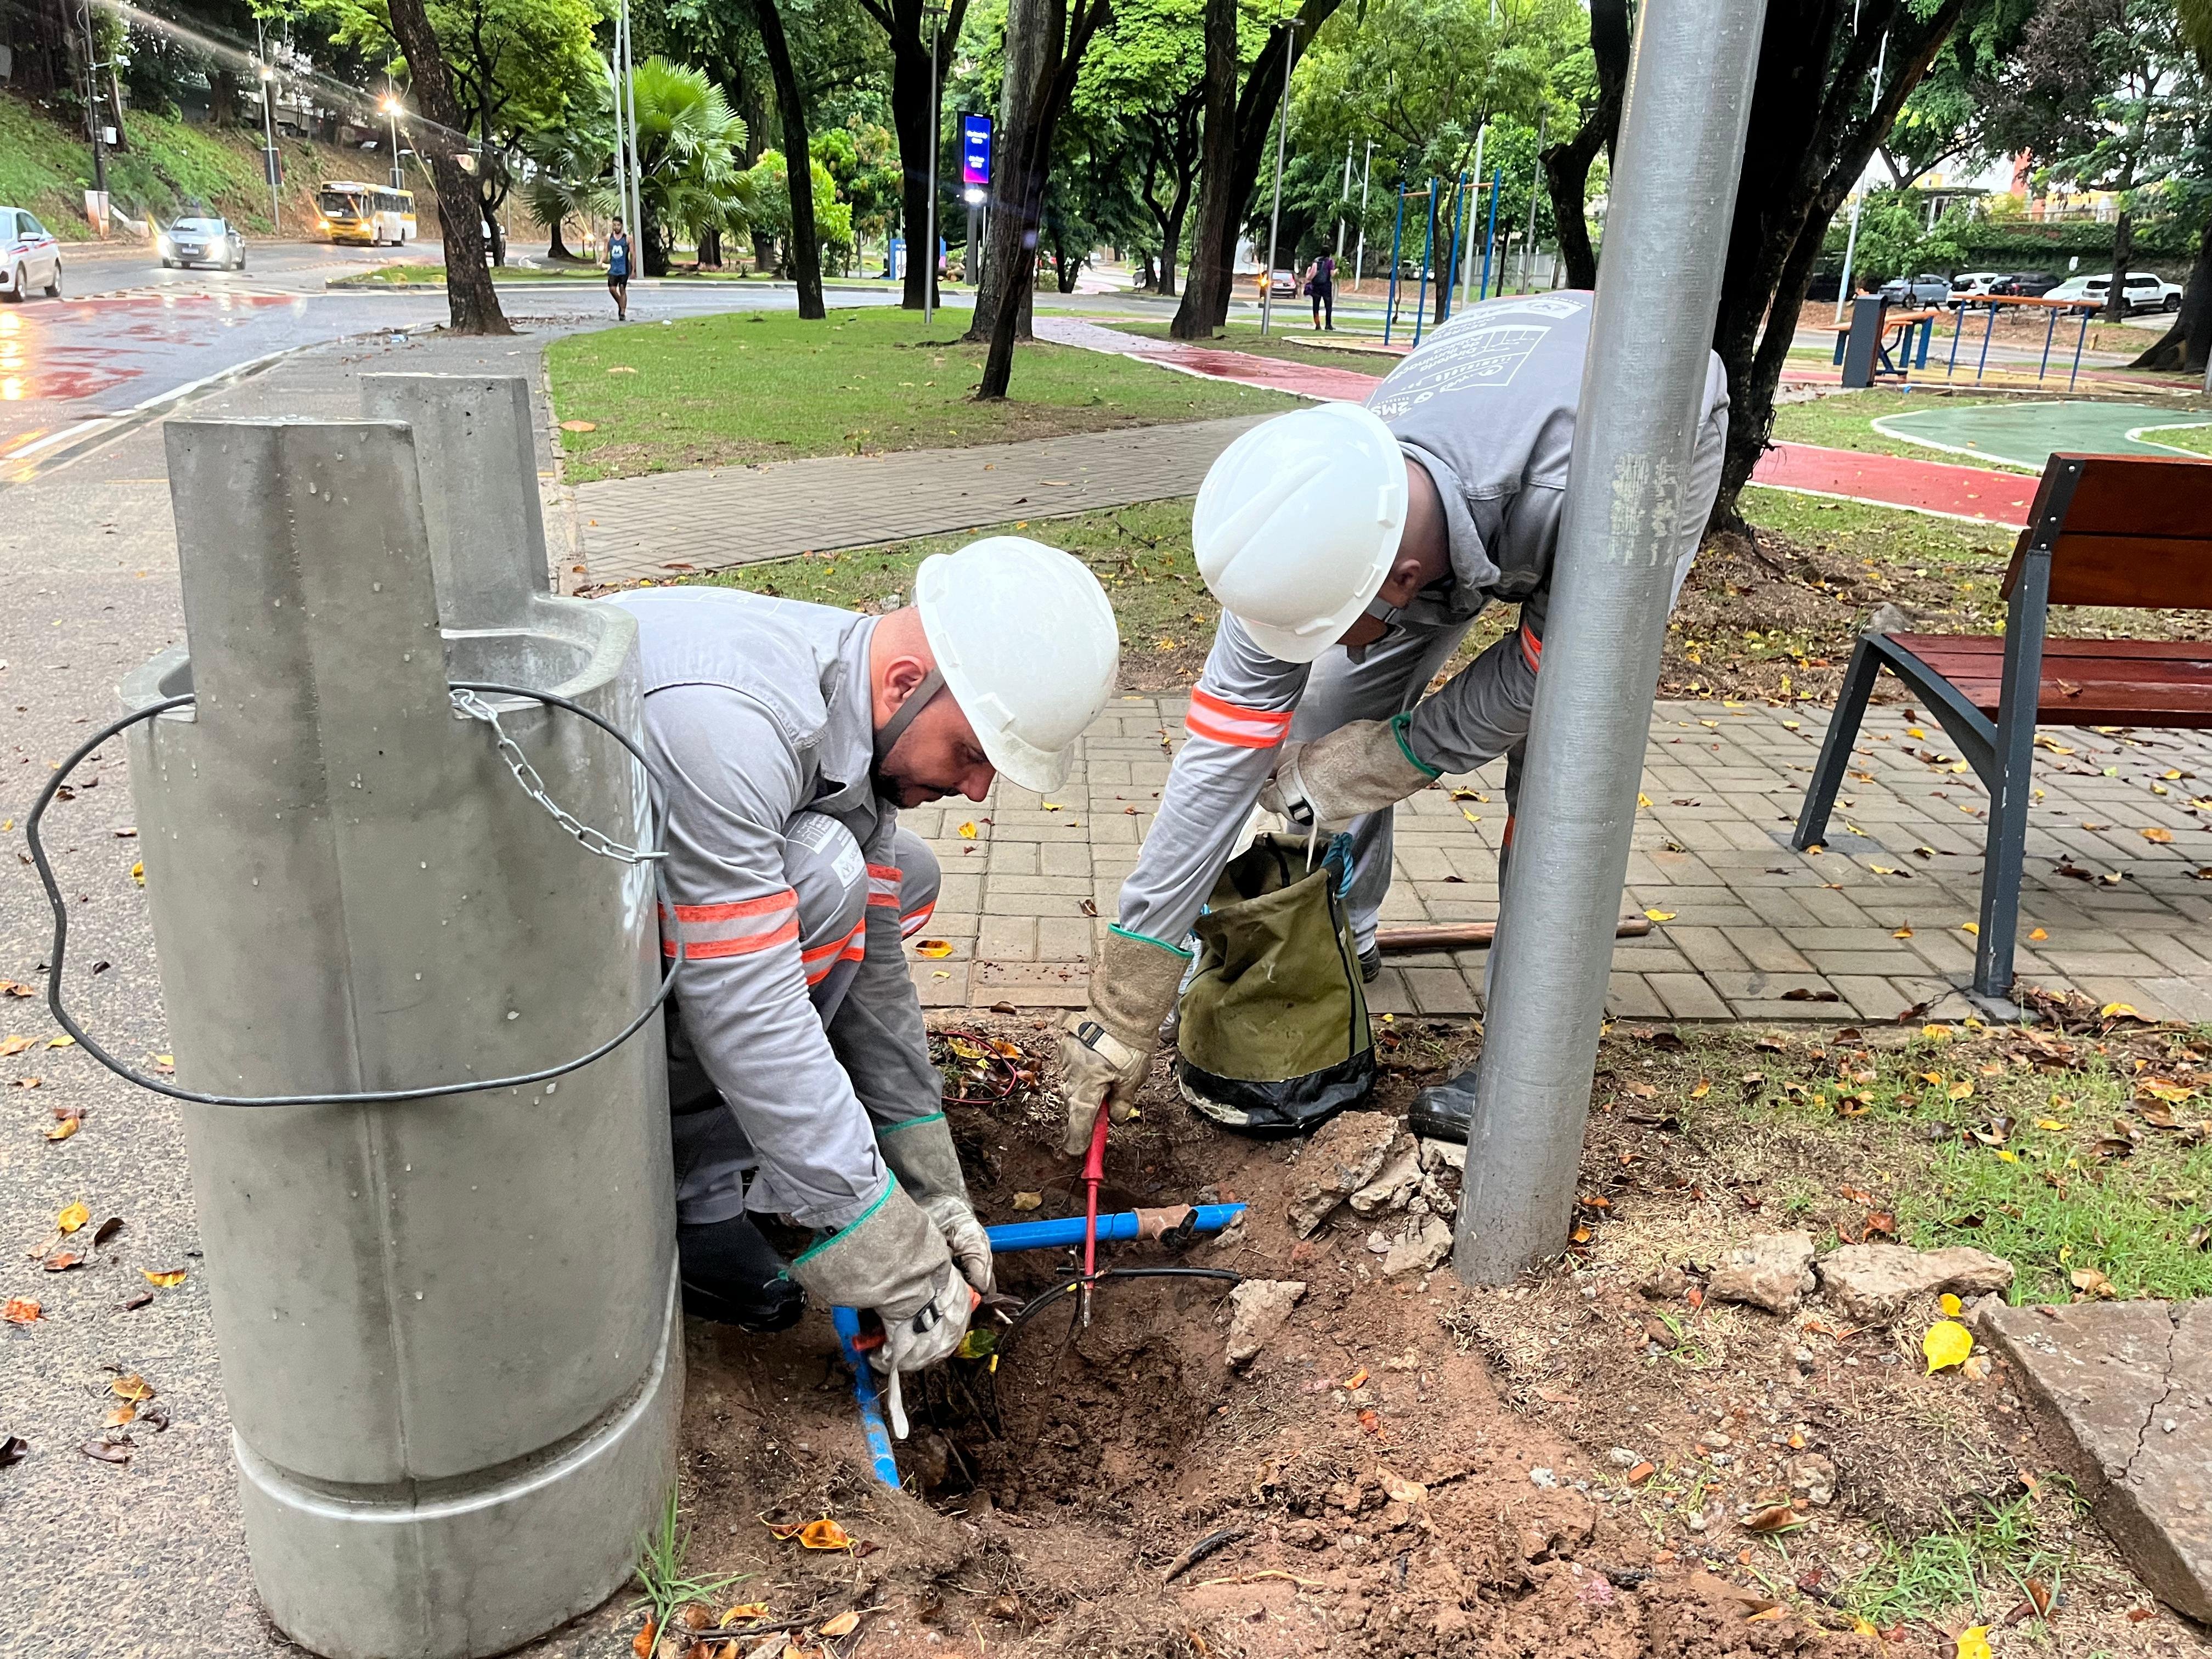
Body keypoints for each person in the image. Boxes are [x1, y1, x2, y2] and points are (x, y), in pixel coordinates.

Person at [1055, 290, 1728, 1152]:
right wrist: (1127, 996)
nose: (1309, 647)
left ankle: (1528, 1057)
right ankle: (1345, 936)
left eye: (1328, 626)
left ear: (1405, 580)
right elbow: (1219, 754)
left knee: (1563, 757)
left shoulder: (1592, 491)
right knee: (1331, 707)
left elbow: (1556, 670)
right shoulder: (1317, 516)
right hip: (1475, 431)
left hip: (1643, 425)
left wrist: (1387, 760)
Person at [614, 540, 1119, 1393]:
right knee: (821, 880)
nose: (977, 790)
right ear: (906, 683)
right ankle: (691, 1201)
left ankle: (789, 1155)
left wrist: (929, 1183)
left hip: (621, 917)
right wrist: (888, 1252)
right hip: (523, 985)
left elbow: (876, 967)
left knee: (897, 878)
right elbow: (749, 1006)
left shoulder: (854, 704)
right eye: (970, 753)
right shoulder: (730, 728)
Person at [608, 224, 633, 320]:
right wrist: (601, 261)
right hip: (613, 269)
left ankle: (622, 313)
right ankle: (621, 304)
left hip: (624, 268)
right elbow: (606, 251)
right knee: (612, 289)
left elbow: (633, 254)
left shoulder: (627, 239)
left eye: (618, 225)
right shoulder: (609, 238)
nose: (616, 227)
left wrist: (633, 269)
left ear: (621, 226)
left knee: (622, 288)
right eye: (615, 225)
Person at [1309, 251, 1335, 331]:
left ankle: (1317, 324)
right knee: (1328, 306)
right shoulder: (1330, 261)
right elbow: (1332, 274)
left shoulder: (1316, 261)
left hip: (1316, 285)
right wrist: (1336, 271)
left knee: (1316, 306)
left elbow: (1312, 273)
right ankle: (1328, 324)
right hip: (1326, 286)